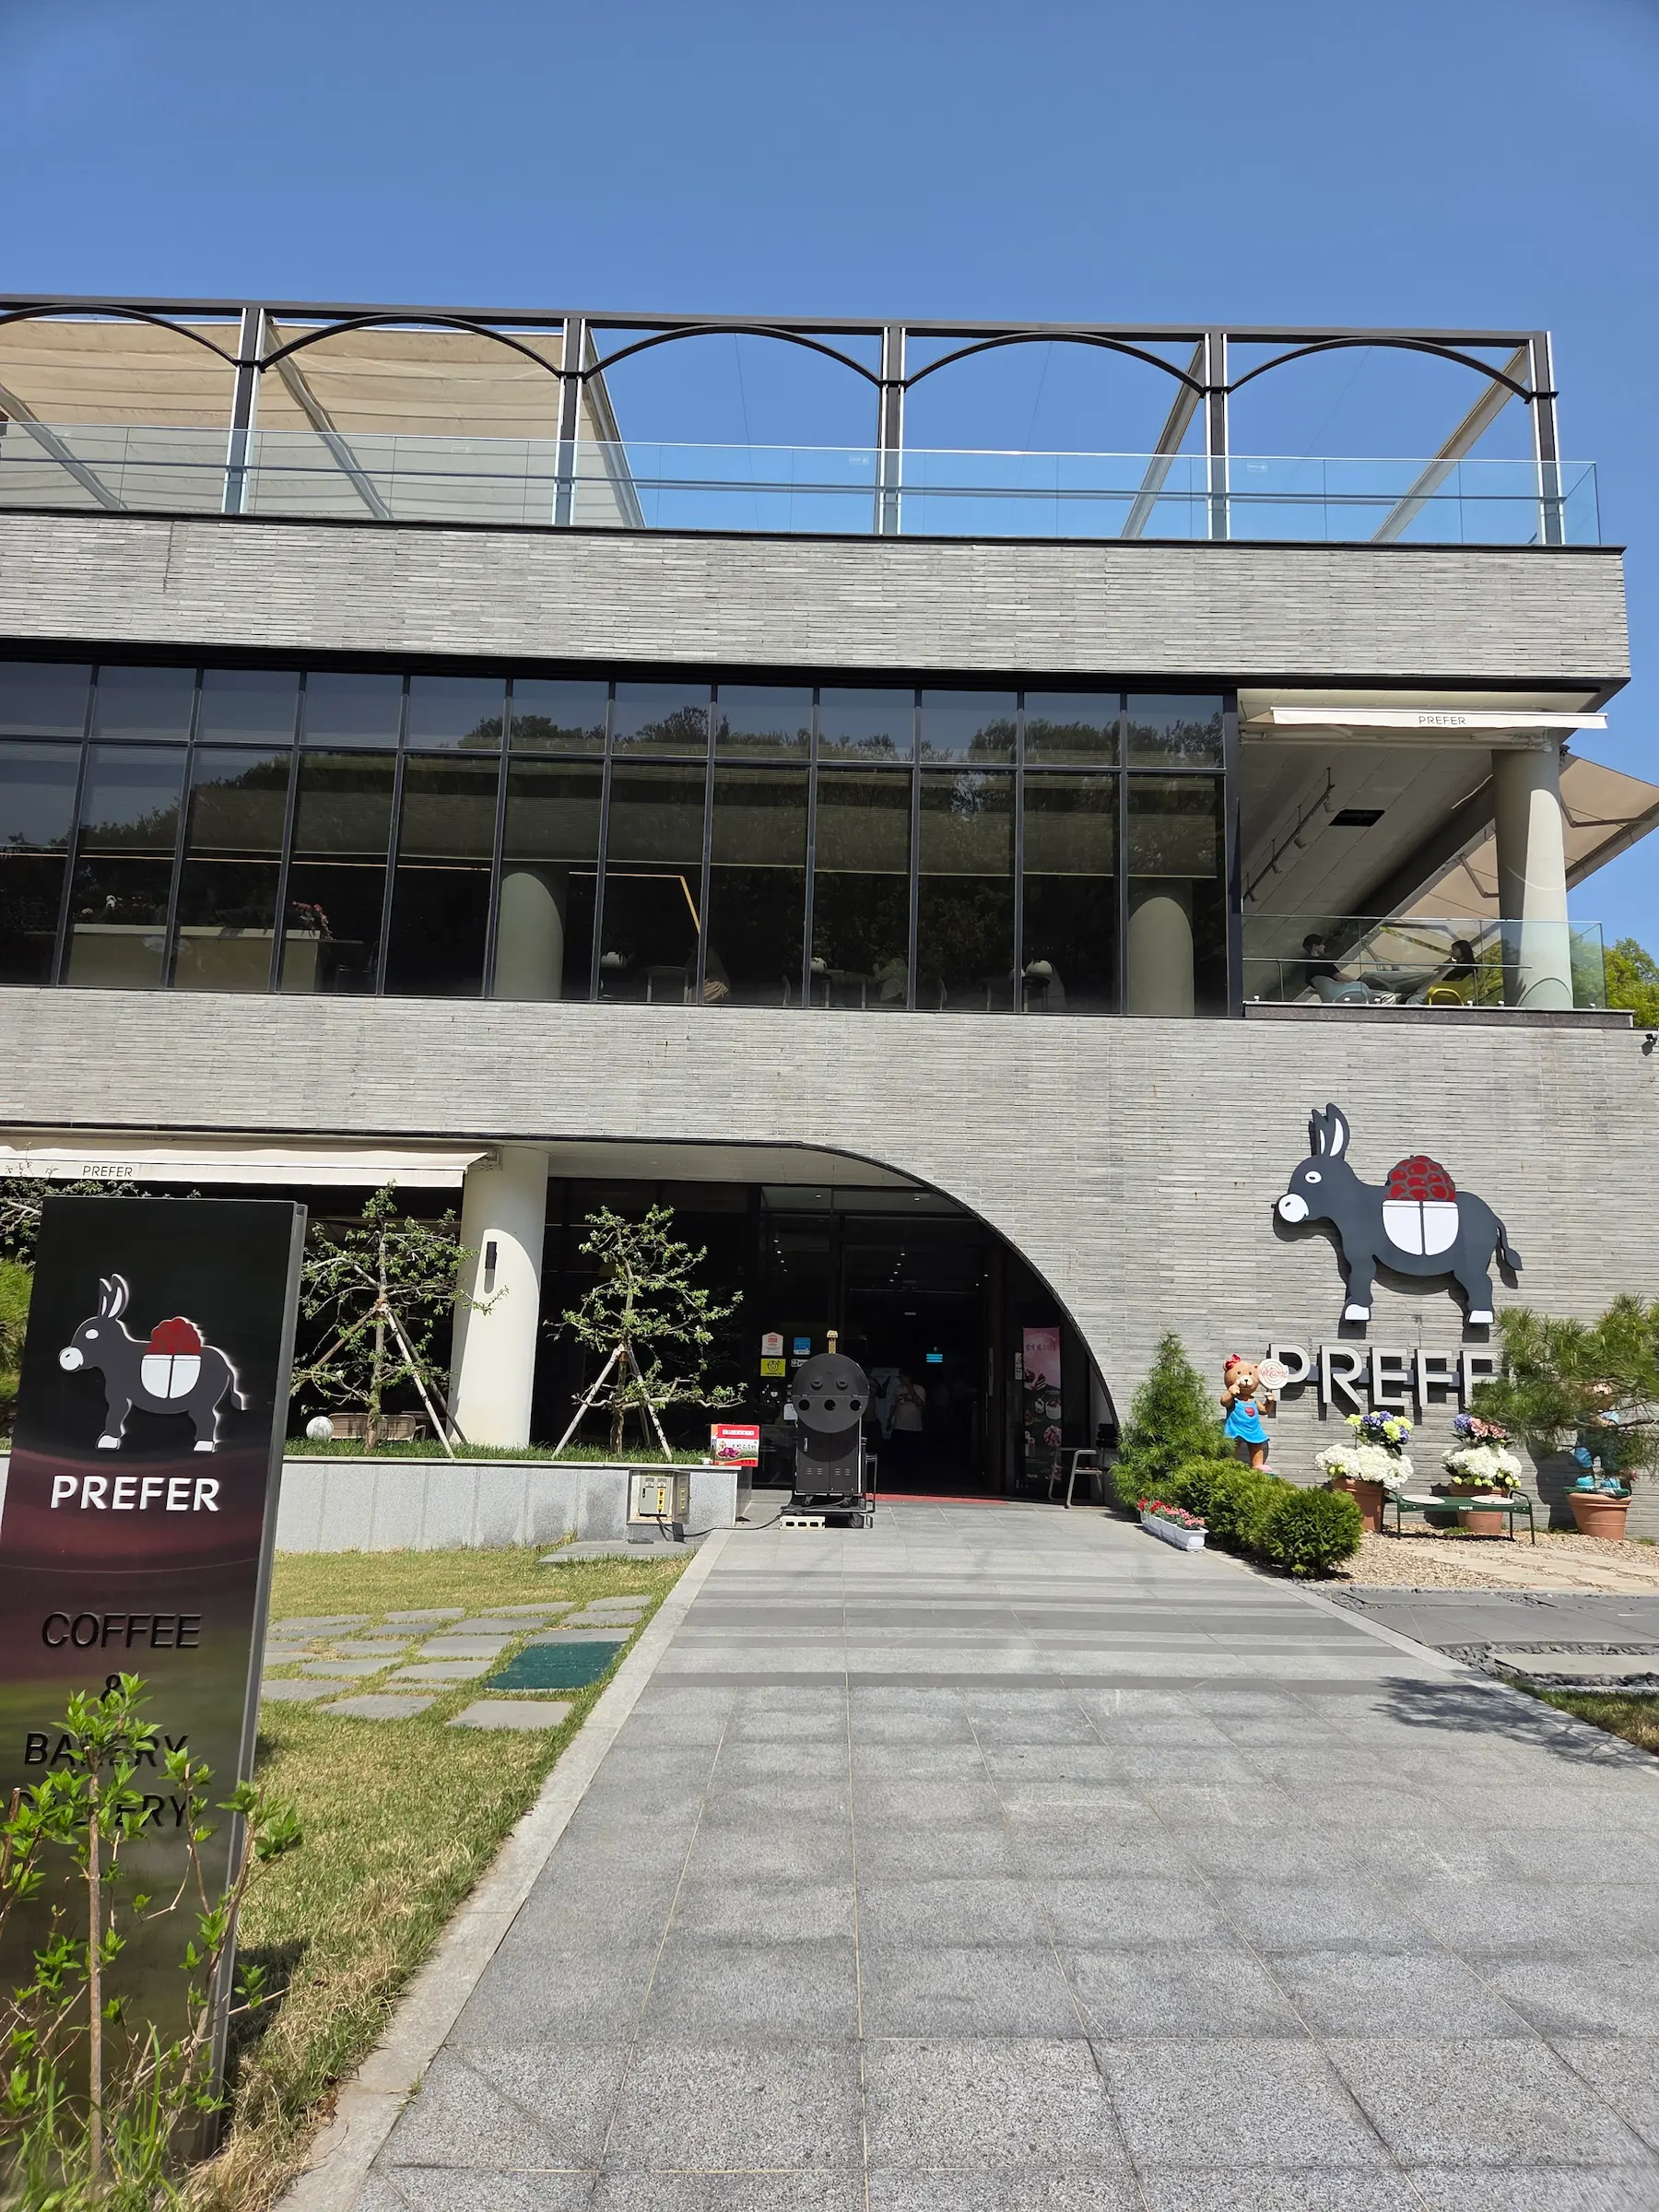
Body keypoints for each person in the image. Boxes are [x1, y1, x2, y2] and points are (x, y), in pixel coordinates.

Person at [890, 1371, 926, 1474]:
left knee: (912, 1452)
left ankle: (911, 1473)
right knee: (900, 1451)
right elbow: (893, 1404)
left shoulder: (919, 1389)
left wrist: (910, 1388)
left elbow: (920, 1403)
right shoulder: (898, 1389)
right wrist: (889, 1419)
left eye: (902, 1377)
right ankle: (900, 1472)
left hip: (914, 1427)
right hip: (900, 1425)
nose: (900, 1379)